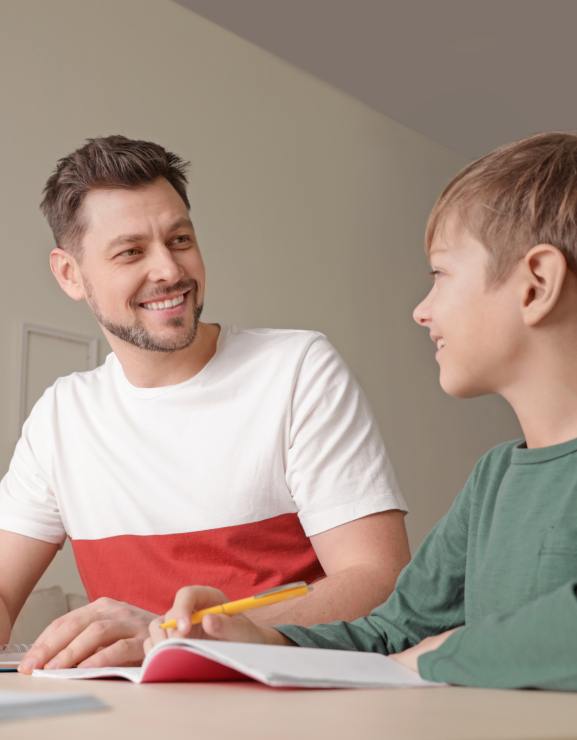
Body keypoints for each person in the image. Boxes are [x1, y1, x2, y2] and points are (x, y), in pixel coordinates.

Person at [148, 131, 577, 691]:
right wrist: (257, 634)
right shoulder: (492, 481)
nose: (422, 311)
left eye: (440, 275)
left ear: (535, 284)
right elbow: (391, 634)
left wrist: (442, 654)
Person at [0, 135, 410, 673]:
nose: (169, 270)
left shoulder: (296, 368)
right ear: (70, 274)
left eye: (180, 239)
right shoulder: (62, 416)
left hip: (286, 700)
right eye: (130, 252)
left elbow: (380, 581)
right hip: (131, 712)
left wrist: (181, 635)